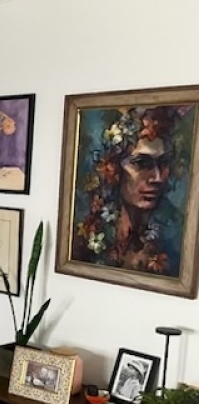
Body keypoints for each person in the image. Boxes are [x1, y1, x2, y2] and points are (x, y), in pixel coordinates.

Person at [72, 105, 194, 276]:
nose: (157, 178)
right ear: (114, 169)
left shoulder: (176, 238)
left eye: (163, 163)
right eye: (141, 163)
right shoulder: (88, 233)